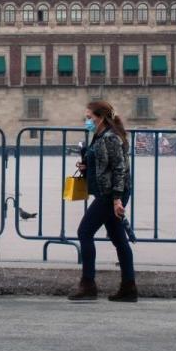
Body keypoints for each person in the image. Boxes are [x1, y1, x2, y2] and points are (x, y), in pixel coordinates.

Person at [68, 100, 137, 302]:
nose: (87, 121)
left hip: (111, 195)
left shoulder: (111, 138)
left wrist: (117, 200)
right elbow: (104, 165)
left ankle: (88, 284)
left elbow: (120, 169)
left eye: (90, 117)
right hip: (107, 193)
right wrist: (86, 168)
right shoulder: (99, 136)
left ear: (101, 118)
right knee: (118, 239)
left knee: (84, 231)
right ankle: (128, 287)